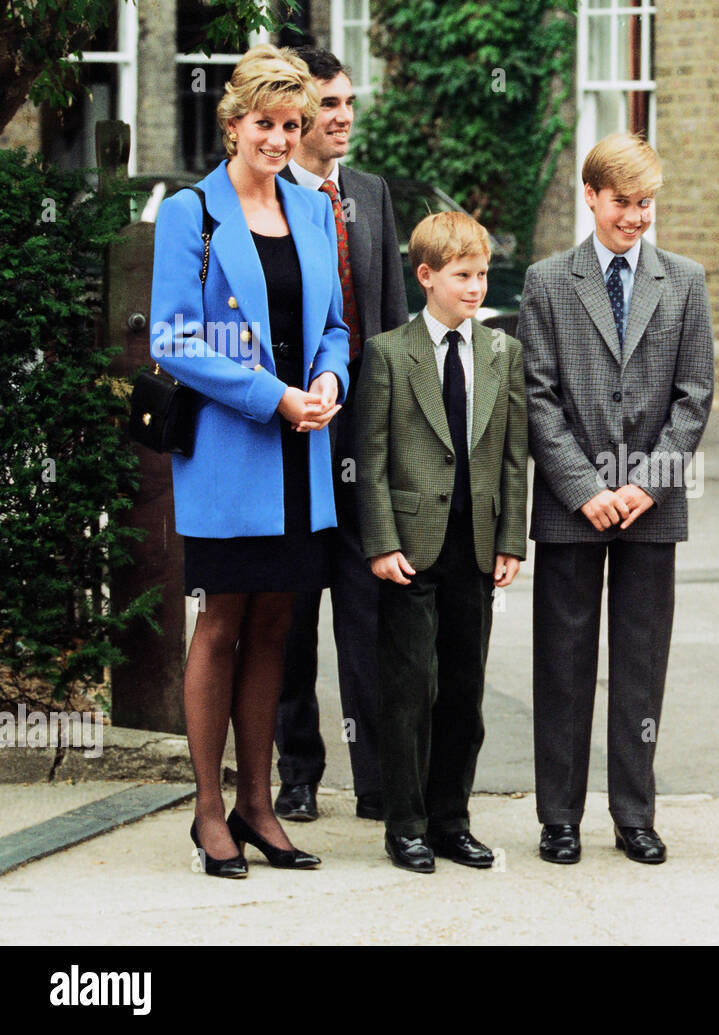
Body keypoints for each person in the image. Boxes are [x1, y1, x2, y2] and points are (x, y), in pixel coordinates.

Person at [150, 44, 350, 876]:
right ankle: (207, 812)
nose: (278, 138)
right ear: (233, 123)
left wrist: (331, 374)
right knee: (223, 622)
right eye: (264, 123)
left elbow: (335, 325)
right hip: (236, 452)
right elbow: (171, 337)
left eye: (291, 124)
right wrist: (274, 396)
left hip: (304, 456)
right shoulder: (189, 213)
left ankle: (260, 805)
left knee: (279, 623)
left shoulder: (311, 211)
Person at [519, 132, 713, 866]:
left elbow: (694, 398)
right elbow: (538, 398)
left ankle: (635, 812)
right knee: (563, 663)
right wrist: (583, 489)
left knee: (640, 663)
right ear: (591, 196)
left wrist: (644, 484)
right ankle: (559, 815)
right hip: (573, 508)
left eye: (646, 204)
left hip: (652, 504)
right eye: (623, 203)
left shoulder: (685, 280)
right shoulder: (547, 281)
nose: (635, 218)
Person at [355, 211, 527, 873]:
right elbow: (368, 459)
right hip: (408, 547)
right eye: (462, 275)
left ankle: (452, 818)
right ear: (426, 277)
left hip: (475, 547)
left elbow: (514, 456)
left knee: (464, 688)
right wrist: (378, 541)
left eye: (482, 274)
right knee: (410, 689)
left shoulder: (500, 352)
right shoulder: (390, 354)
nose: (476, 287)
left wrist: (510, 538)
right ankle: (406, 824)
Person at [273, 47, 408, 824]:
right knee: (292, 614)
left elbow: (389, 322)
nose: (344, 116)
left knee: (369, 609)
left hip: (363, 436)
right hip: (293, 434)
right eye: (328, 104)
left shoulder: (370, 194)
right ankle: (298, 770)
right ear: (293, 116)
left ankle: (378, 777)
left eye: (349, 102)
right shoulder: (261, 201)